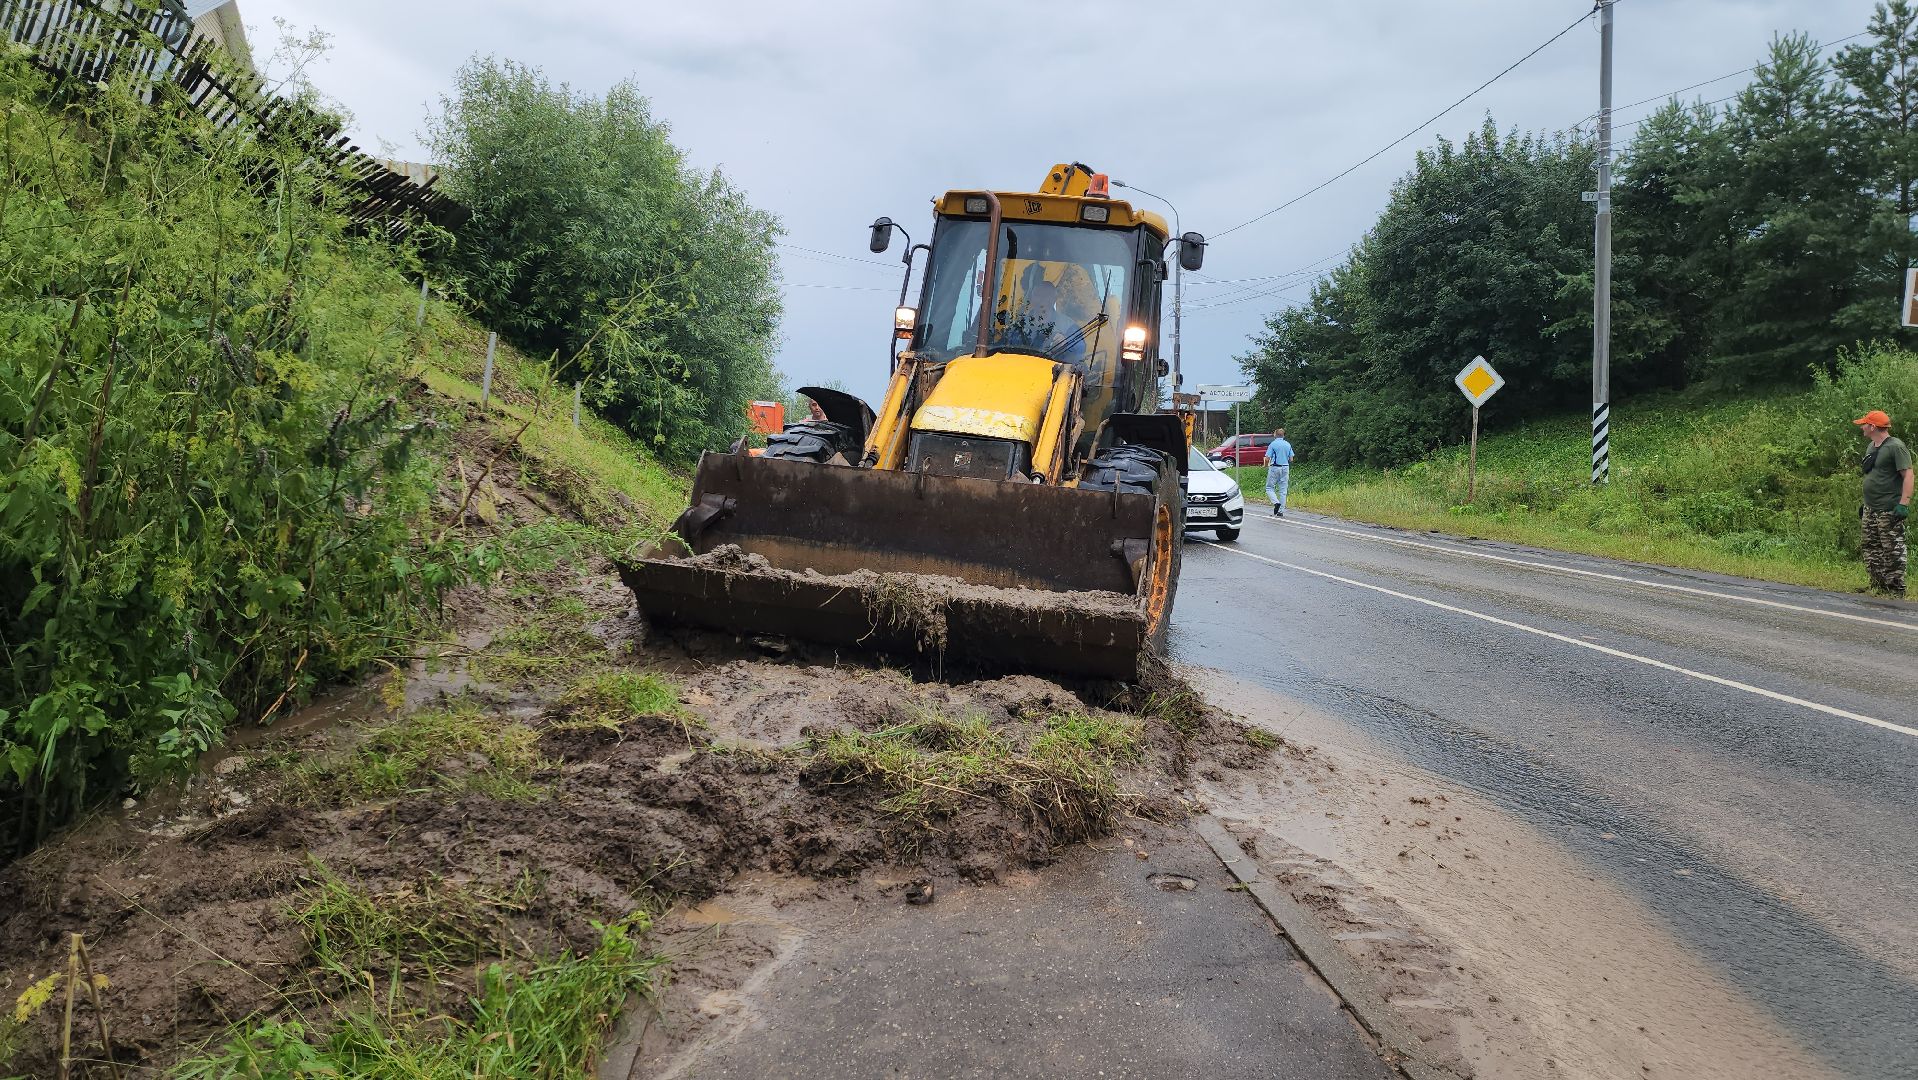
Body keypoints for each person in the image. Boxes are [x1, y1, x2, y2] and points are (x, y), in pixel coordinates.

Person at [1856, 409, 1912, 597]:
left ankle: (1896, 589)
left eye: (1864, 424)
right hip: (1871, 508)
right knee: (1870, 546)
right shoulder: (1872, 446)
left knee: (1892, 547)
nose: (1862, 427)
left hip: (1889, 508)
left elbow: (1908, 475)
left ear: (1873, 426)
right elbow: (1875, 475)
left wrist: (1903, 503)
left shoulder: (1896, 447)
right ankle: (1878, 585)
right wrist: (1866, 504)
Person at [1263, 428, 1296, 517]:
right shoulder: (1288, 444)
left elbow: (1267, 458)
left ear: (1275, 435)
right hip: (1285, 468)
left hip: (1275, 467)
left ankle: (1276, 502)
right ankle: (1280, 511)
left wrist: (1266, 465)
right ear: (1283, 435)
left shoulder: (1273, 444)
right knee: (1283, 490)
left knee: (1269, 488)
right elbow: (1291, 459)